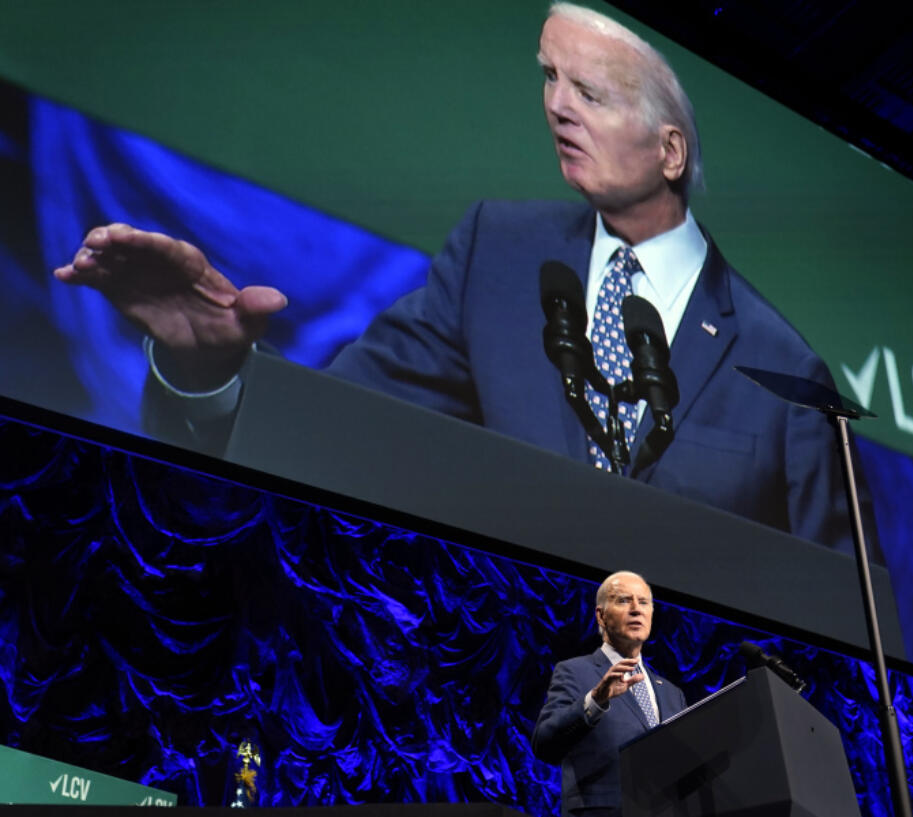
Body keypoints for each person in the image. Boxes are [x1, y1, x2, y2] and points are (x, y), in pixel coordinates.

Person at [52, 3, 855, 551]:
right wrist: (211, 369)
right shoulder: (495, 254)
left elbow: (833, 632)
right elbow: (334, 429)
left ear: (670, 152)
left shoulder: (786, 371)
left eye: (589, 93)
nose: (556, 108)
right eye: (549, 78)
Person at [532, 570, 685, 817]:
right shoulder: (575, 671)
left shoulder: (671, 693)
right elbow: (545, 744)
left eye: (643, 602)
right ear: (601, 616)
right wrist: (596, 700)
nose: (636, 609)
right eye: (624, 600)